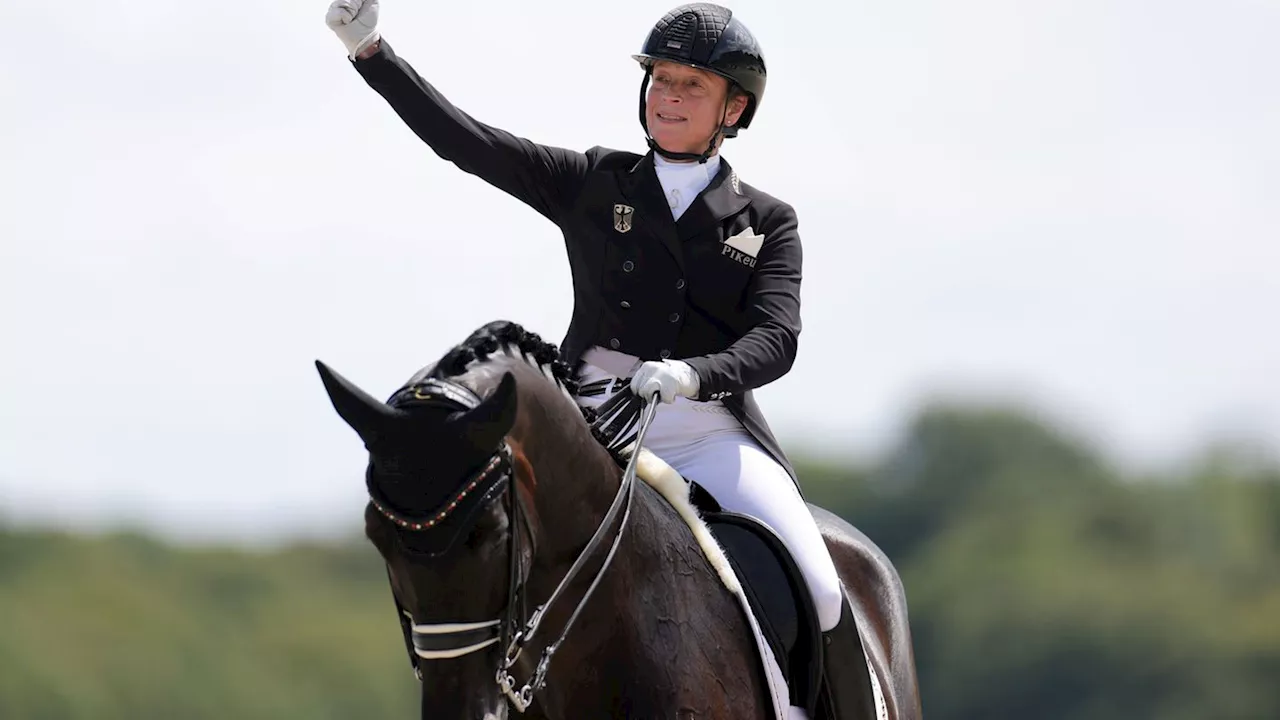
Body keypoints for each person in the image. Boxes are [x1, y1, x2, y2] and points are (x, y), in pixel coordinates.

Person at [326, 2, 852, 716]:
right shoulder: (596, 183)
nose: (667, 95)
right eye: (660, 79)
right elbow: (470, 143)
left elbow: (776, 338)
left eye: (690, 85)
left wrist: (695, 373)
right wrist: (372, 54)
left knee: (820, 585)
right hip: (592, 422)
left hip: (704, 427)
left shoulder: (765, 220)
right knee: (488, 553)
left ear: (735, 107)